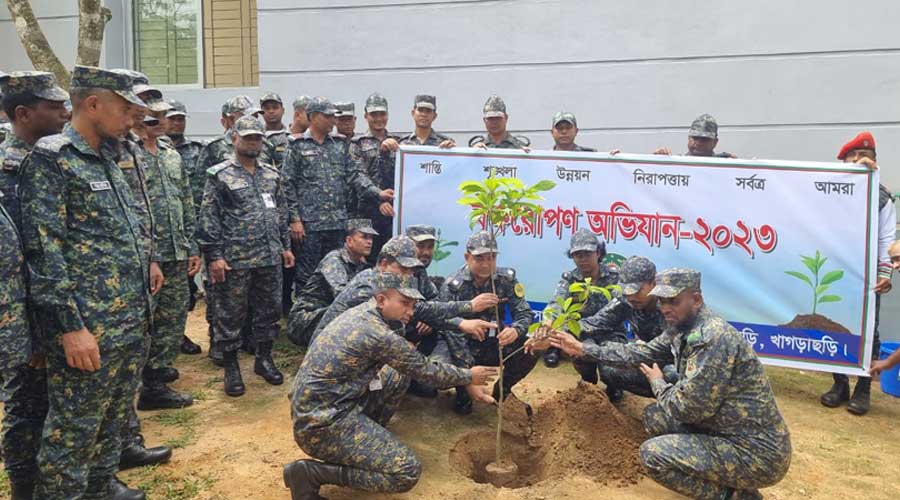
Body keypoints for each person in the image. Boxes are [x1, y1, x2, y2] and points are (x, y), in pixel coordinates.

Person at [530, 268, 792, 500]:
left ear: (696, 300)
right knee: (655, 417)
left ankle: (733, 496)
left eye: (674, 301)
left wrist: (658, 384)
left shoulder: (712, 338)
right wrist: (582, 348)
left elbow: (688, 410)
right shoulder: (682, 326)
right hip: (721, 427)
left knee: (653, 456)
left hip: (756, 453)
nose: (666, 307)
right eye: (663, 300)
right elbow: (640, 353)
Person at [19, 65, 154, 499]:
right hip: (88, 327)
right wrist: (69, 327)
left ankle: (101, 487)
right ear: (93, 104)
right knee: (73, 432)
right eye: (125, 107)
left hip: (127, 320)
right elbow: (44, 252)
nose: (132, 116)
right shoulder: (54, 159)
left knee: (112, 418)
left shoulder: (110, 156)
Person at [284, 272, 498, 498]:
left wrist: (462, 317)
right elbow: (427, 371)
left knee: (396, 375)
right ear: (381, 300)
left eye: (413, 305)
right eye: (405, 303)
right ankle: (311, 473)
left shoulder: (366, 312)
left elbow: (430, 317)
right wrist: (468, 376)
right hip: (321, 425)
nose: (410, 311)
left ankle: (368, 442)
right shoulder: (376, 334)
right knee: (407, 471)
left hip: (327, 406)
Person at [0, 70, 68, 500]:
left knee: (50, 397)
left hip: (49, 299)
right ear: (24, 113)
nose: (64, 112)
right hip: (16, 307)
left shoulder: (49, 160)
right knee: (23, 399)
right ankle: (25, 486)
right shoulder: (7, 168)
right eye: (53, 106)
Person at [197, 116, 295, 397]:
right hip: (235, 259)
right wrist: (213, 255)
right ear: (234, 138)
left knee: (269, 312)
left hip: (269, 257)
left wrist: (285, 246)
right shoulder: (219, 175)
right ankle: (231, 367)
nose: (253, 142)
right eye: (248, 137)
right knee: (230, 314)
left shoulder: (270, 174)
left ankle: (264, 360)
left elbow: (281, 213)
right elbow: (209, 218)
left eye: (258, 137)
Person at [281, 97, 392, 293]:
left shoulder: (340, 145)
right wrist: (295, 219)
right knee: (308, 277)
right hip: (309, 225)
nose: (333, 120)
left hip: (337, 223)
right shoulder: (297, 146)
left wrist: (378, 193)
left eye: (334, 116)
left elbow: (355, 175)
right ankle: (305, 318)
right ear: (313, 116)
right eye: (328, 116)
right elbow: (287, 184)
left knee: (337, 274)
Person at [131, 97, 199, 411]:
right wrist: (147, 255)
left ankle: (155, 381)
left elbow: (185, 200)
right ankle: (135, 378)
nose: (159, 122)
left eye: (163, 117)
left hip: (175, 250)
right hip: (145, 255)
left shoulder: (171, 154)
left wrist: (192, 246)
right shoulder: (127, 153)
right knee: (143, 320)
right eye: (153, 117)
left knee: (172, 316)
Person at [820, 131, 894, 415]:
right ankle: (839, 385)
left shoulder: (882, 197)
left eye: (864, 157)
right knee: (836, 325)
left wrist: (885, 273)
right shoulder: (827, 191)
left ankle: (863, 389)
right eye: (851, 157)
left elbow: (886, 238)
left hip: (867, 275)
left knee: (868, 331)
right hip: (837, 270)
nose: (858, 161)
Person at [310, 235, 498, 346]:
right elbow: (422, 310)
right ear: (384, 264)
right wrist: (469, 306)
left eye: (411, 270)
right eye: (404, 269)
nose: (408, 276)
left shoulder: (388, 281)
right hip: (333, 352)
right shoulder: (370, 285)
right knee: (396, 373)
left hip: (352, 346)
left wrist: (459, 323)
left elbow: (422, 307)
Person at [439, 231, 537, 414]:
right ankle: (464, 388)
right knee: (463, 408)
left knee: (531, 348)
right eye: (479, 258)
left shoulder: (505, 280)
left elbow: (524, 312)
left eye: (491, 257)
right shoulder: (453, 285)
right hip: (463, 346)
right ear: (467, 257)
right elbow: (449, 328)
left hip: (494, 342)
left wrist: (516, 329)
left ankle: (503, 391)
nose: (486, 264)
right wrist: (468, 372)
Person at [577, 256, 678, 400]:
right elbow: (595, 323)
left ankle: (675, 410)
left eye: (637, 290)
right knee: (608, 368)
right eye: (627, 291)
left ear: (654, 283)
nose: (631, 296)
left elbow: (662, 352)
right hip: (646, 356)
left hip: (675, 363)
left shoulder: (671, 307)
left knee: (673, 375)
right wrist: (559, 333)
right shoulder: (627, 300)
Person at [287, 218, 377, 347]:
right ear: (349, 241)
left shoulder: (361, 265)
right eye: (364, 237)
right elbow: (343, 297)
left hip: (327, 315)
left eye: (371, 238)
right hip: (305, 320)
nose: (369, 242)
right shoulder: (334, 259)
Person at [542, 228, 618, 374]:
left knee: (611, 370)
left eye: (588, 254)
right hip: (582, 332)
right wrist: (548, 319)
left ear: (598, 253)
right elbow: (556, 302)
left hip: (610, 332)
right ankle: (588, 381)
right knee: (578, 354)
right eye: (578, 255)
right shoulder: (570, 279)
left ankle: (613, 385)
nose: (583, 259)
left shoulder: (615, 278)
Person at [165, 99, 206, 351]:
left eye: (181, 118)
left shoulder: (196, 151)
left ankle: (179, 334)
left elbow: (199, 193)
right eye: (172, 118)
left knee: (185, 291)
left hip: (186, 228)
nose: (177, 122)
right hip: (160, 234)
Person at [350, 92, 399, 256]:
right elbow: (357, 176)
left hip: (394, 214)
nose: (378, 118)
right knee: (367, 260)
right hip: (367, 214)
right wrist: (379, 196)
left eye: (382, 114)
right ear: (365, 116)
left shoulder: (400, 143)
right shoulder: (357, 144)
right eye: (373, 114)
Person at [653, 114, 736, 158]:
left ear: (715, 142)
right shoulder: (676, 163)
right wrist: (657, 161)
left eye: (704, 139)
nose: (699, 143)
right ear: (689, 138)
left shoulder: (724, 164)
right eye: (695, 138)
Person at [260, 92, 290, 168]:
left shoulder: (290, 137)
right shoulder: (257, 137)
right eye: (267, 108)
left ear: (283, 110)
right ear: (262, 112)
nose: (271, 111)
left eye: (275, 107)